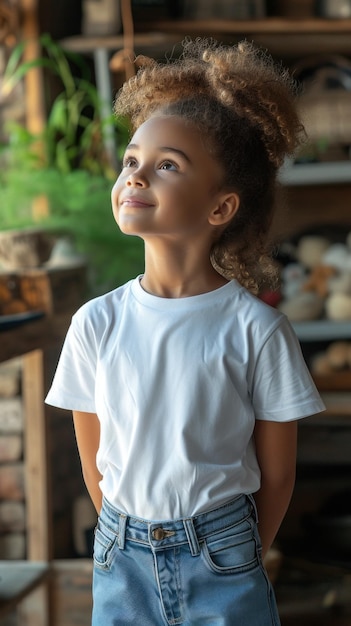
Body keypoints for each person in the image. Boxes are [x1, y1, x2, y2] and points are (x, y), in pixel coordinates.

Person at [46, 38, 325, 626]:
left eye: (166, 165)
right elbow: (93, 460)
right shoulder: (96, 322)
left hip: (224, 557)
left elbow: (277, 475)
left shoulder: (258, 331)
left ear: (220, 208)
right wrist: (126, 533)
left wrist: (234, 553)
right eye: (130, 161)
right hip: (120, 556)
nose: (136, 176)